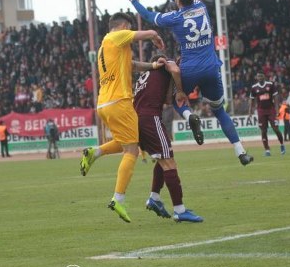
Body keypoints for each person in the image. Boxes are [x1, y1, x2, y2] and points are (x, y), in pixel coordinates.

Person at [124, 0, 252, 166]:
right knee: (219, 111)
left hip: (189, 69)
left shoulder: (175, 18)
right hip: (211, 67)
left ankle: (190, 115)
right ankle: (240, 151)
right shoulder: (201, 6)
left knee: (175, 98)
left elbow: (149, 16)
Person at [82, 54, 203, 223]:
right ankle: (179, 210)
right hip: (150, 118)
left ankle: (154, 198)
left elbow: (167, 99)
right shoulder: (166, 65)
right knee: (169, 162)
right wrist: (181, 90)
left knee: (162, 158)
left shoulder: (146, 76)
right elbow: (175, 69)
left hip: (136, 118)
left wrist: (173, 87)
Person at [80, 12, 165, 223]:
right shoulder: (115, 37)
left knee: (125, 142)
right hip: (120, 101)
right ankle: (118, 198)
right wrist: (155, 34)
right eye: (128, 27)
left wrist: (153, 67)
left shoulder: (105, 48)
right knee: (132, 150)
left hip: (104, 103)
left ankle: (95, 152)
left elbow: (132, 66)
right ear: (123, 26)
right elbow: (144, 34)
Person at [248, 72, 285, 156]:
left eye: (261, 76)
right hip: (261, 111)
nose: (260, 78)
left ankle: (282, 144)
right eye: (258, 76)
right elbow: (251, 99)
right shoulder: (254, 88)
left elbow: (275, 97)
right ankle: (267, 149)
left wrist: (277, 109)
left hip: (271, 110)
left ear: (264, 77)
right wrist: (250, 112)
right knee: (263, 131)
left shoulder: (270, 84)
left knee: (275, 128)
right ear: (256, 78)